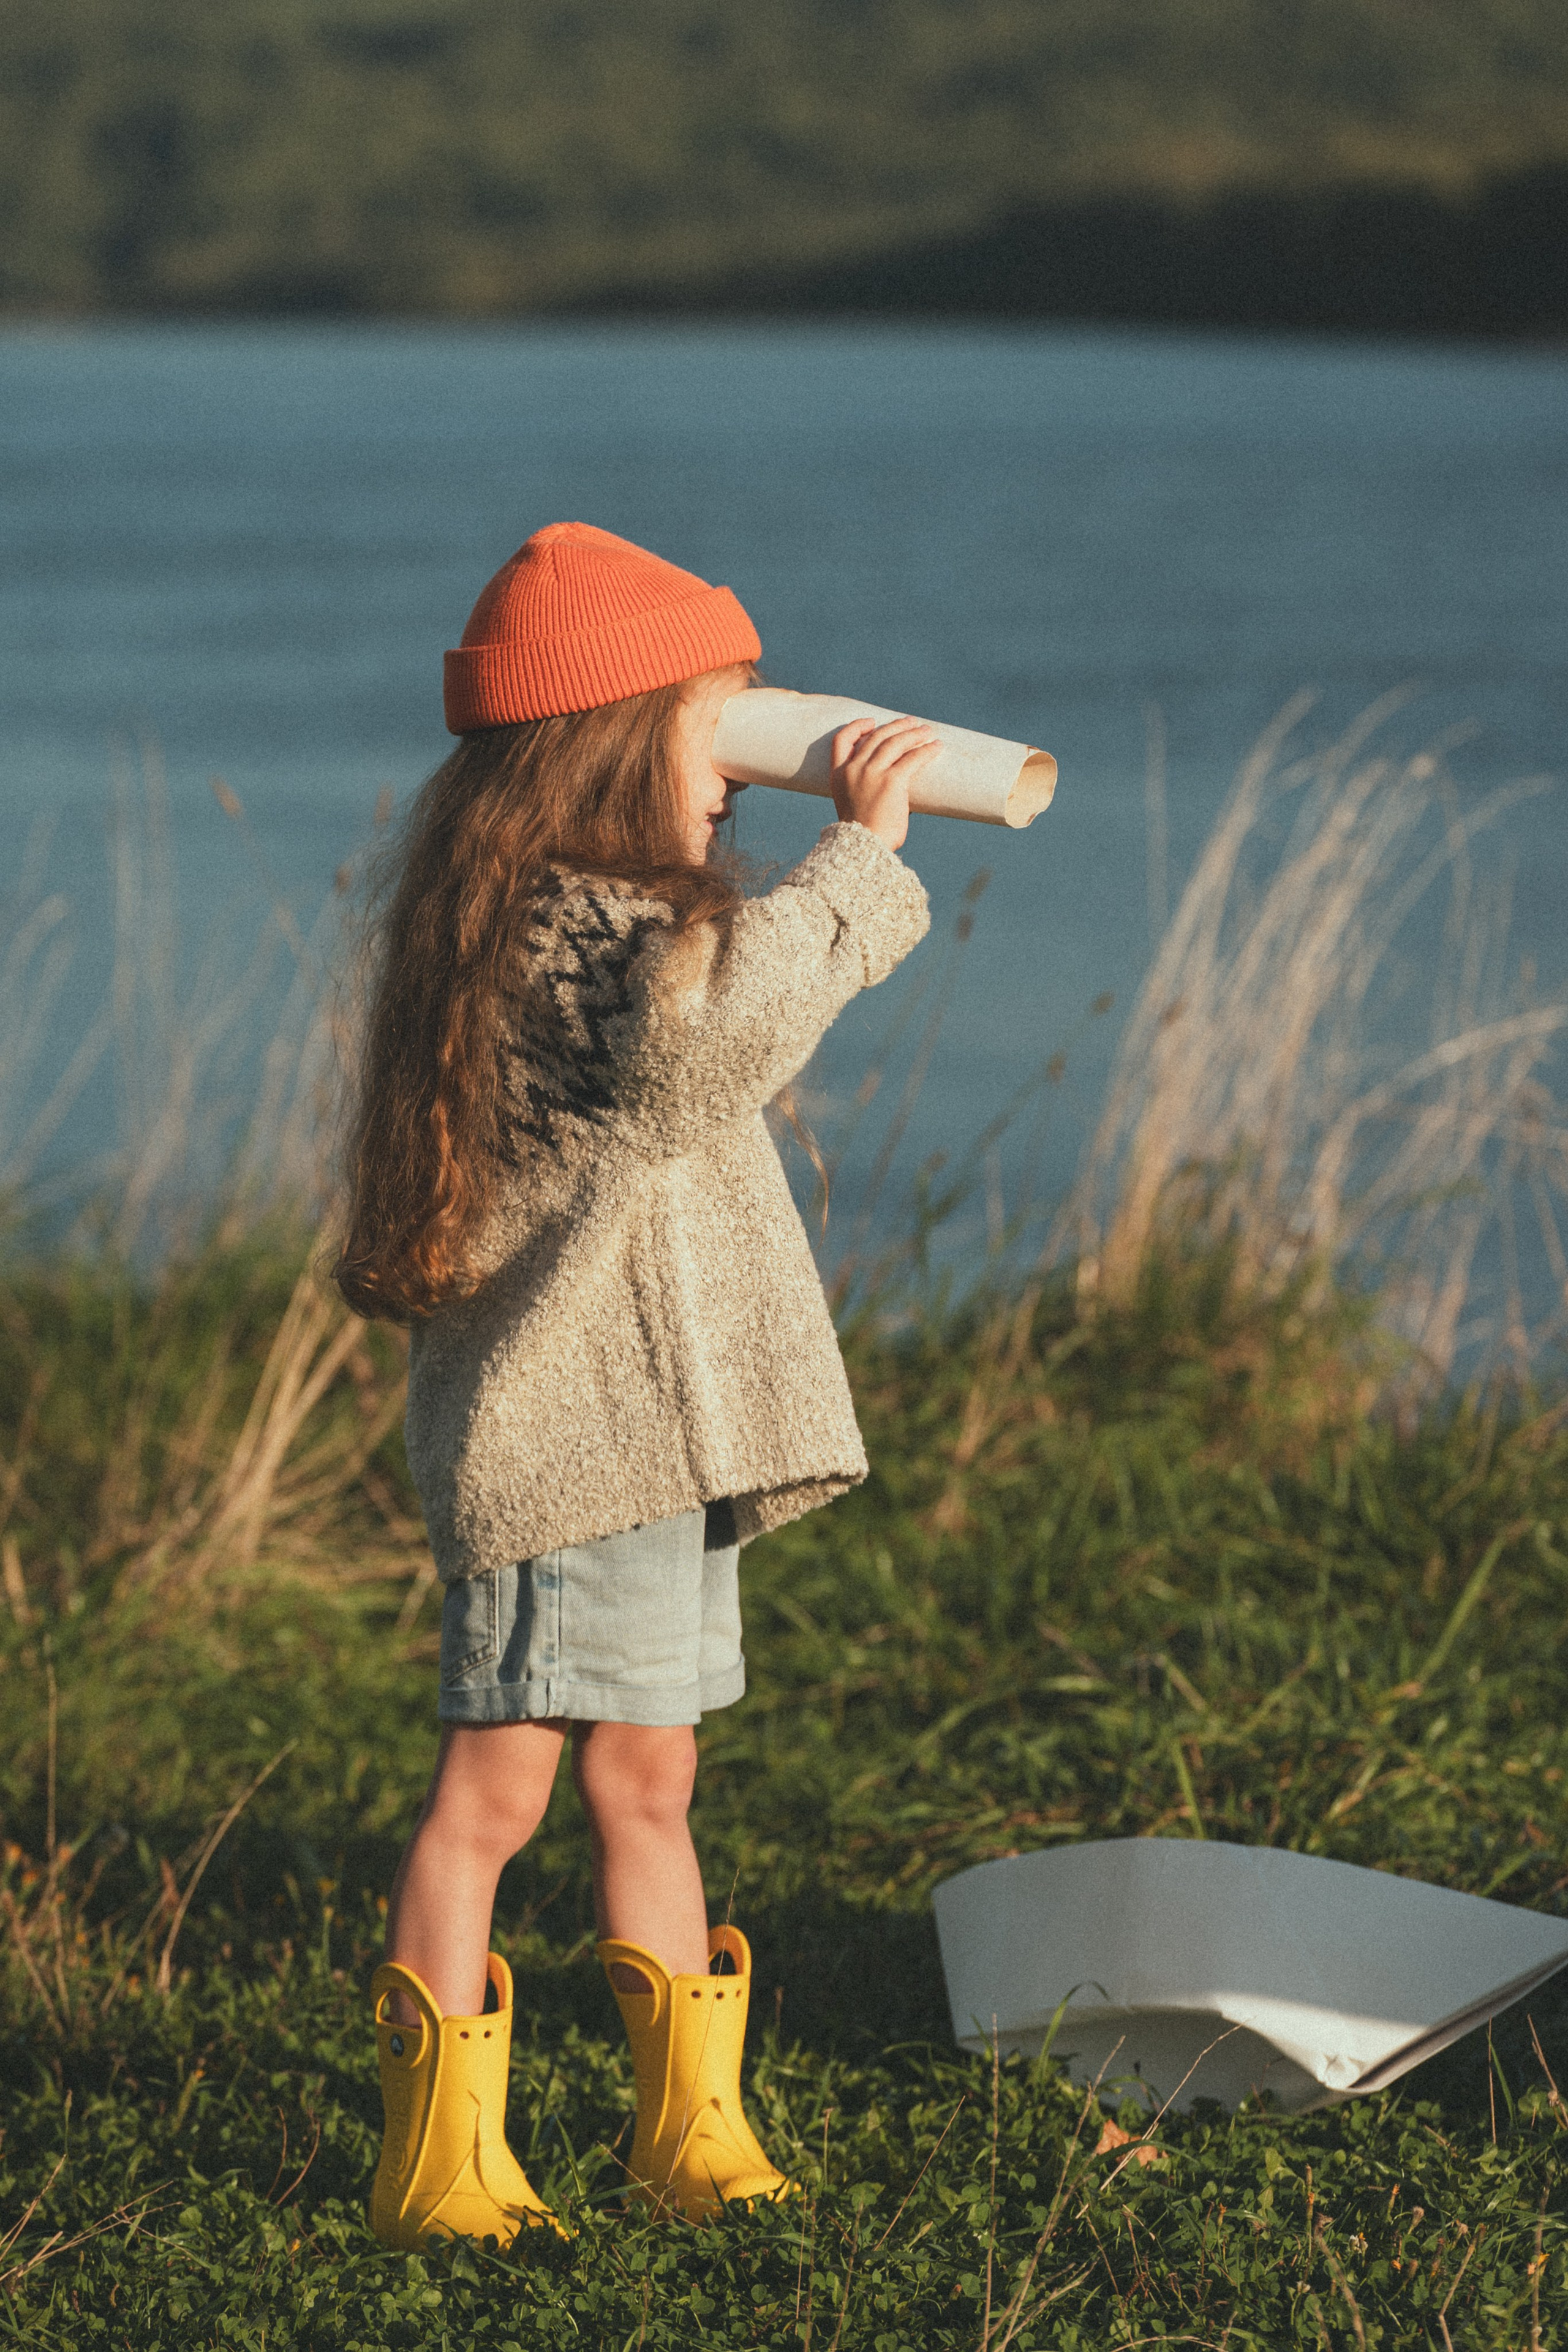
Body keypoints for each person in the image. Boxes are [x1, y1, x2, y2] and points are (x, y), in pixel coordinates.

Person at [336, 521, 935, 2247]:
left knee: (649, 1783)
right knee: (496, 1791)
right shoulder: (559, 926)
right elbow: (709, 1053)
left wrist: (806, 870)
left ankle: (692, 2130)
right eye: (715, 732)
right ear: (607, 741)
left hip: (660, 1443)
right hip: (568, 1442)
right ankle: (437, 2164)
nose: (735, 773)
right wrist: (860, 861)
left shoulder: (605, 912)